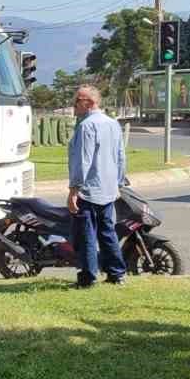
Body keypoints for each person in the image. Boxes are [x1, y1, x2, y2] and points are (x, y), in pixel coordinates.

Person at [66, 85, 127, 287]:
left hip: (88, 191)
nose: (74, 105)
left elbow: (82, 160)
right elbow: (121, 157)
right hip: (108, 190)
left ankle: (88, 278)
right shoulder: (113, 124)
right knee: (108, 233)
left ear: (90, 103)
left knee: (86, 236)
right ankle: (117, 274)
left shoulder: (86, 126)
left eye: (77, 101)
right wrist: (118, 183)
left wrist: (74, 190)